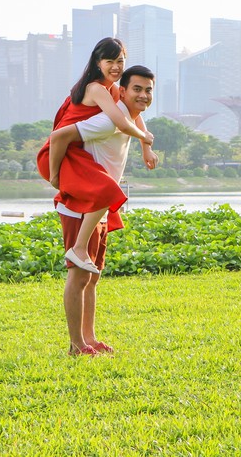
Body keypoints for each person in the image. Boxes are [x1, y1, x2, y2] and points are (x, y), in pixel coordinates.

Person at [45, 65, 158, 357]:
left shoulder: (128, 118)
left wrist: (146, 146)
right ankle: (75, 345)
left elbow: (139, 123)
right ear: (121, 91)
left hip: (100, 206)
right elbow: (59, 137)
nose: (143, 95)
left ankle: (90, 338)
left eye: (148, 90)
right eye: (136, 89)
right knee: (79, 275)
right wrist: (55, 177)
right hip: (81, 204)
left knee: (92, 277)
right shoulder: (108, 121)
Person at [37, 38, 156, 273]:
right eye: (109, 61)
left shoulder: (112, 90)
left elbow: (133, 116)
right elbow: (122, 122)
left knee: (107, 190)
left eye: (120, 61)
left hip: (75, 151)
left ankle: (80, 249)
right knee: (108, 190)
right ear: (98, 62)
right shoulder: (96, 89)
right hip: (59, 154)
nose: (116, 67)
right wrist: (54, 176)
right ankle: (79, 249)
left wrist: (145, 147)